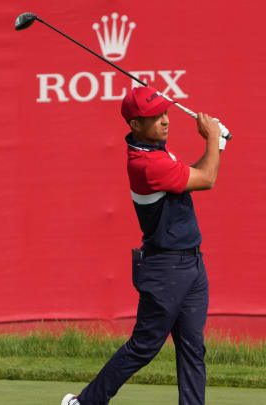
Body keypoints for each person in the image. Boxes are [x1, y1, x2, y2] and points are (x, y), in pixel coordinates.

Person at [62, 86, 228, 405]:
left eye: (165, 113)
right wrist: (212, 139)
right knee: (144, 347)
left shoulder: (159, 152)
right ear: (135, 125)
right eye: (155, 117)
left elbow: (193, 175)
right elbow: (207, 179)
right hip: (166, 269)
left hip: (192, 266)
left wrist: (216, 144)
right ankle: (85, 403)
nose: (165, 121)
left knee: (193, 349)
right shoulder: (146, 164)